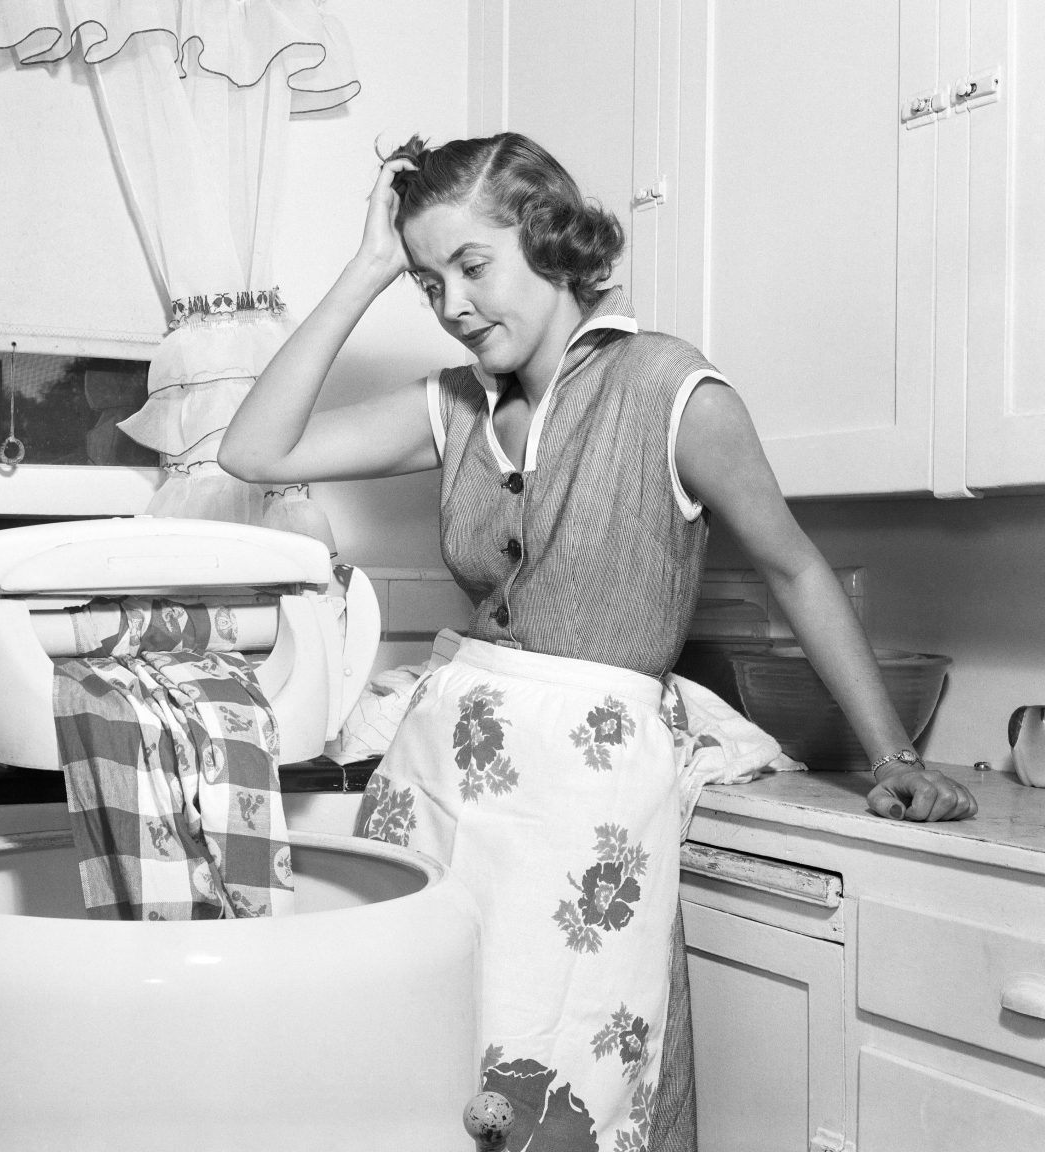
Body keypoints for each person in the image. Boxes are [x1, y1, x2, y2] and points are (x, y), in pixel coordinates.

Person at [218, 132, 977, 1151]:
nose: (450, 304)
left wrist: (894, 757)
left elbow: (795, 568)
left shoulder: (672, 391)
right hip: (438, 785)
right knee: (403, 1068)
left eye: (472, 266)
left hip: (579, 818)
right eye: (427, 282)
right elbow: (253, 448)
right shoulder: (453, 409)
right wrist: (368, 267)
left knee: (560, 1089)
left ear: (548, 239)